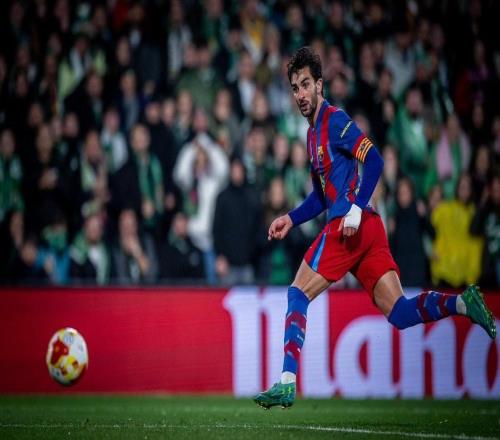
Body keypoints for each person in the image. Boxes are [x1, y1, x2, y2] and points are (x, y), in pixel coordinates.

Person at [253, 46, 496, 410]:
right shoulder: (311, 135)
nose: (300, 94)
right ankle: (464, 302)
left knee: (297, 294)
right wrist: (291, 218)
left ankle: (287, 382)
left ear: (319, 85)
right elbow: (320, 196)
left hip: (349, 227)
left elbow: (376, 161)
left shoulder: (335, 120)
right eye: (294, 87)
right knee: (399, 312)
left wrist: (352, 209)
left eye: (305, 84)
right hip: (367, 229)